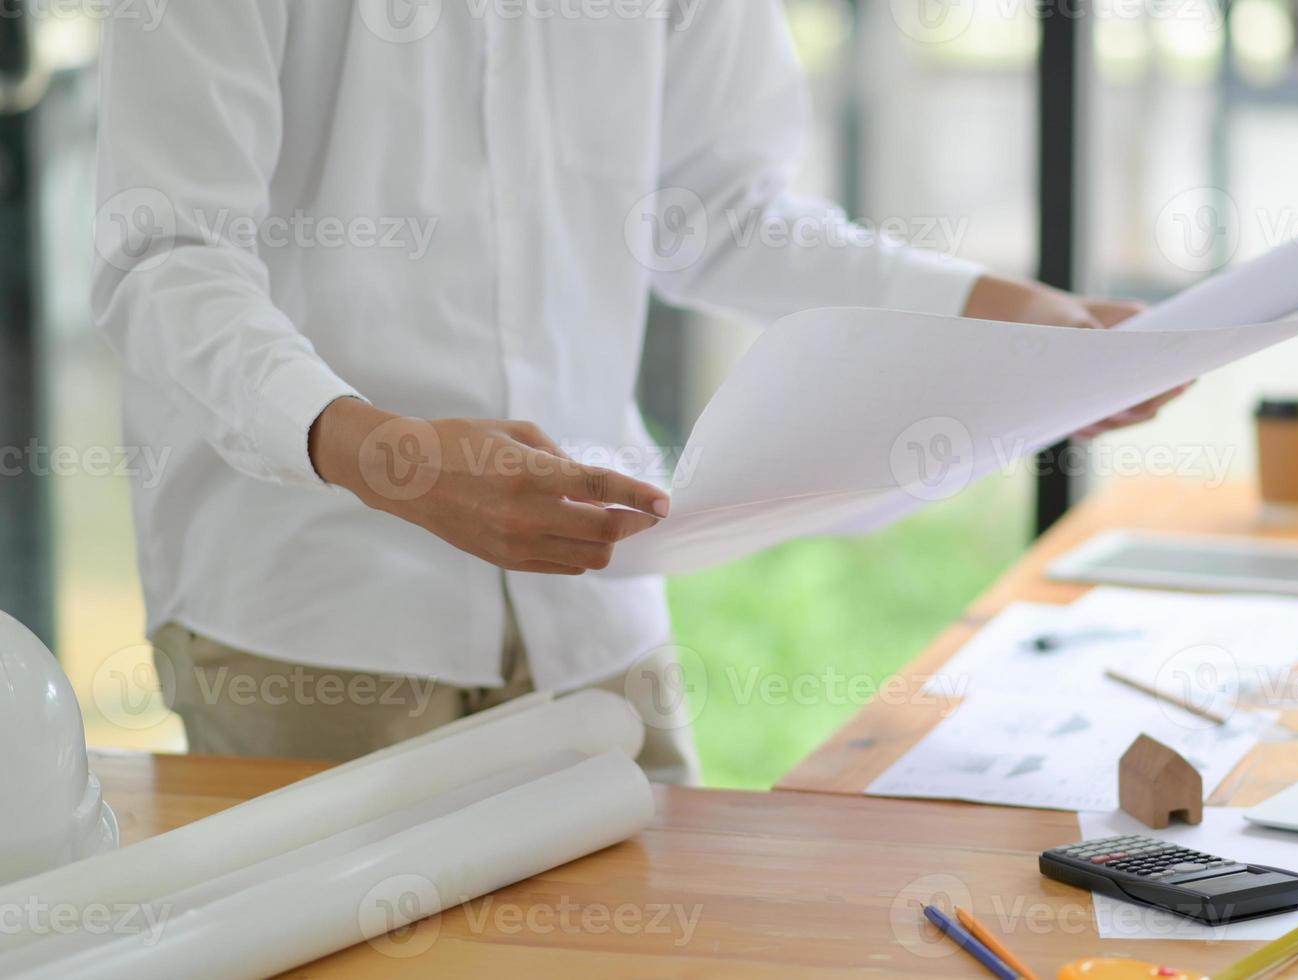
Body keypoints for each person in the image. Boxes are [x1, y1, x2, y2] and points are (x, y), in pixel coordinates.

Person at [92, 0, 1183, 779]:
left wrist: (1015, 323)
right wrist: (389, 453)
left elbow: (720, 211)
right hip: (314, 614)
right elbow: (166, 257)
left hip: (591, 602)